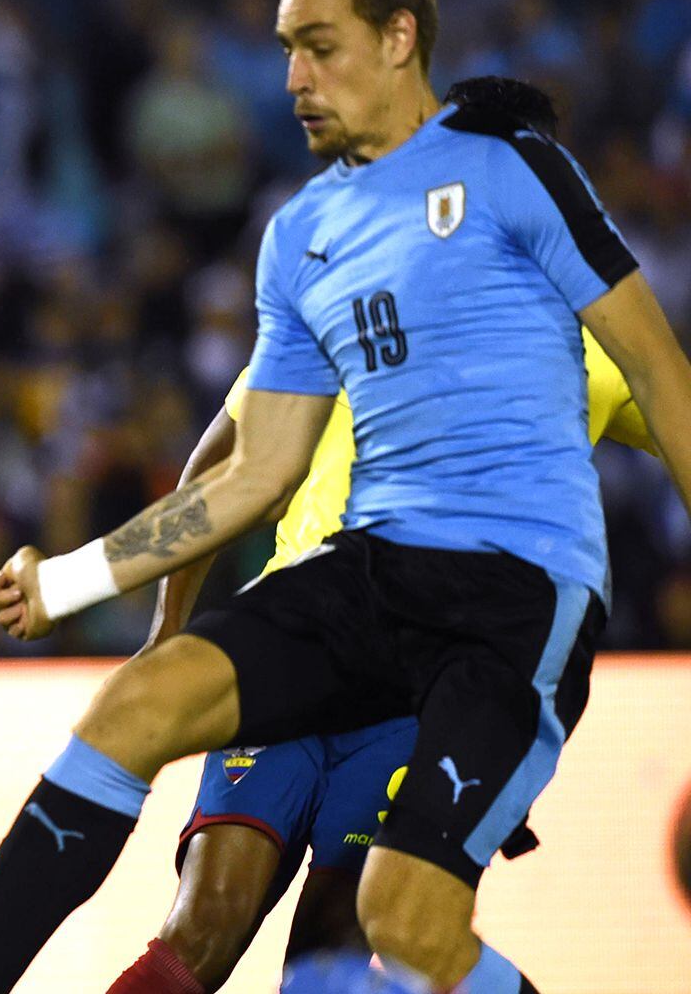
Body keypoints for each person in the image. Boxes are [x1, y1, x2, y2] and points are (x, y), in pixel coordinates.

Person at [0, 0, 691, 992]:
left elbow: (667, 383)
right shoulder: (302, 237)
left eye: (320, 45)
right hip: (363, 576)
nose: (292, 76)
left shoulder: (517, 175)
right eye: (286, 45)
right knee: (137, 716)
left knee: (396, 925)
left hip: (513, 597)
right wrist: (69, 579)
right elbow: (248, 469)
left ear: (398, 39)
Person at [107, 77, 662, 994]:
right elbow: (215, 463)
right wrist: (165, 642)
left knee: (326, 959)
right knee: (201, 930)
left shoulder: (585, 351)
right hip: (285, 659)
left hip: (413, 694)